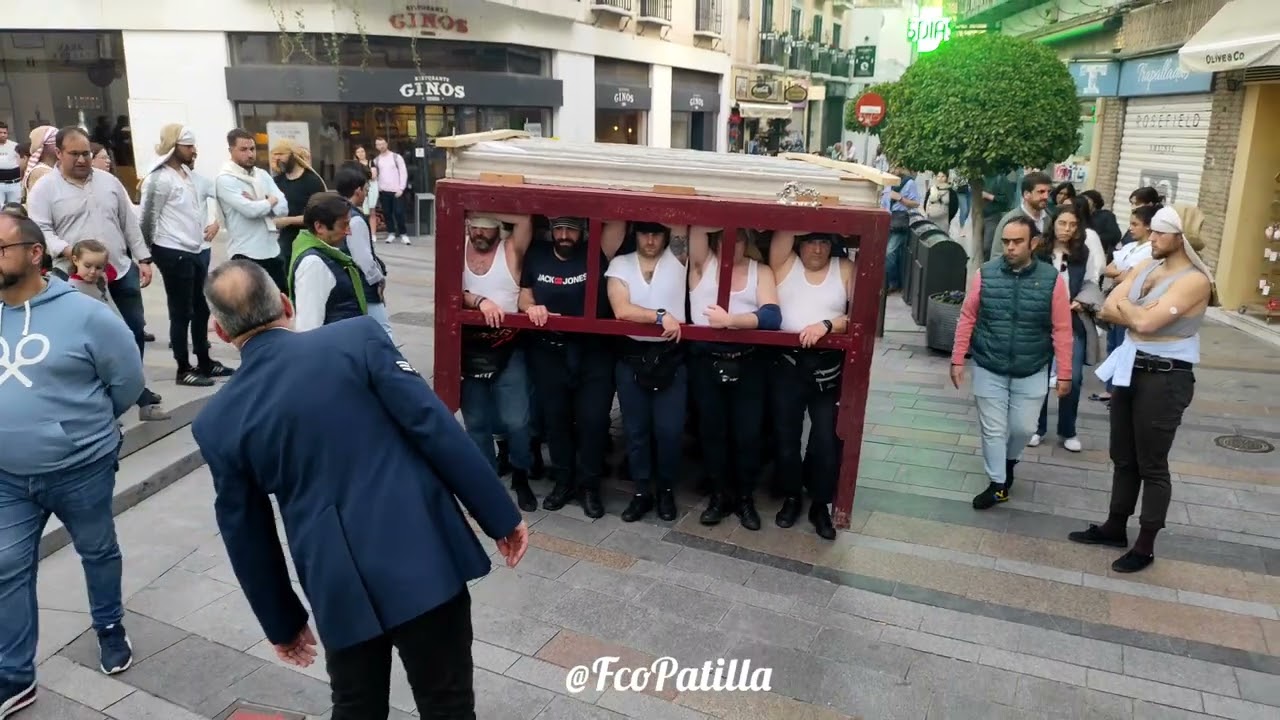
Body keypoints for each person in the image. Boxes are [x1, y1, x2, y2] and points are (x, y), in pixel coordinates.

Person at [192, 260, 527, 719]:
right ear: (286, 304)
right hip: (422, 551)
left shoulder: (217, 421)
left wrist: (282, 622)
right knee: (447, 702)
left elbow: (246, 532)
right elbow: (431, 425)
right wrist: (499, 516)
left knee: (355, 707)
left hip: (336, 579)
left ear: (220, 331)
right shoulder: (357, 338)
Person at [0, 214, 145, 719]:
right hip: (7, 477)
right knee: (6, 569)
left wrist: (83, 431)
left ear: (34, 253)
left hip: (80, 467)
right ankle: (15, 676)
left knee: (98, 551)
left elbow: (127, 382)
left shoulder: (86, 315)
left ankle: (109, 627)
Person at [1070, 206, 1214, 573]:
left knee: (1152, 464)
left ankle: (1145, 545)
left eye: (1160, 232)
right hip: (1131, 368)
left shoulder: (1195, 280)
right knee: (1123, 456)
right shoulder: (1148, 265)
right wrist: (1135, 312)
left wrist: (1131, 309)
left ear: (1181, 237)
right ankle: (1115, 526)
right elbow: (1106, 307)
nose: (1152, 237)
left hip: (1165, 377)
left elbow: (1145, 322)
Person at [26, 126, 167, 421]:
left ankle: (136, 389)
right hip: (76, 278)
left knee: (132, 330)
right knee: (86, 338)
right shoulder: (45, 189)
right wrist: (69, 252)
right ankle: (99, 395)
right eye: (74, 154)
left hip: (119, 270)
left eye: (86, 154)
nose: (82, 159)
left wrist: (143, 258)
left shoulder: (109, 182)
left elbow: (129, 223)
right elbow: (41, 231)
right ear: (59, 153)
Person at [951, 216, 1073, 510]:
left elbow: (1062, 328)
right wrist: (958, 358)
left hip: (1032, 366)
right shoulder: (986, 274)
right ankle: (998, 484)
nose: (1010, 247)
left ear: (1034, 243)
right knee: (993, 429)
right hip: (988, 363)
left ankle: (1008, 462)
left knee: (1023, 428)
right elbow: (968, 316)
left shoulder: (1052, 280)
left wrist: (1065, 373)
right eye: (1006, 241)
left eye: (1018, 242)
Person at [519, 217, 623, 518]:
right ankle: (563, 481)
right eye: (559, 229)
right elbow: (525, 293)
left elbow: (619, 219)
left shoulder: (597, 251)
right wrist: (531, 307)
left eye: (571, 229)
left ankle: (589, 486)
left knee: (593, 421)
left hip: (593, 352)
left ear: (583, 231)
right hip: (550, 351)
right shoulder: (537, 253)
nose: (564, 235)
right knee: (557, 420)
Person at [687, 227, 781, 530]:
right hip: (706, 361)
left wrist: (731, 321)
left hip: (747, 361)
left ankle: (744, 498)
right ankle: (718, 496)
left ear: (747, 241)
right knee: (712, 432)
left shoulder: (760, 271)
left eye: (738, 238)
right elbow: (696, 221)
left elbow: (772, 316)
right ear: (715, 241)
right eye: (724, 238)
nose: (731, 244)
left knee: (748, 434)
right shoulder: (703, 264)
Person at [768, 231, 854, 539]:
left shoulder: (844, 268)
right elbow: (787, 226)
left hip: (826, 367)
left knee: (827, 438)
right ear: (799, 244)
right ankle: (792, 496)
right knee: (786, 437)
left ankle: (820, 503)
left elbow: (858, 315)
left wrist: (827, 325)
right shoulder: (785, 263)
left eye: (824, 242)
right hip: (788, 364)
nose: (817, 249)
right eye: (810, 241)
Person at [606, 222, 689, 523]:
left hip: (670, 356)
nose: (651, 239)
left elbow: (682, 217)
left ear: (666, 235)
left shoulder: (678, 257)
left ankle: (665, 490)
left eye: (656, 233)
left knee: (669, 431)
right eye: (644, 233)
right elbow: (622, 309)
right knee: (636, 430)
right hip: (632, 356)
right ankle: (641, 492)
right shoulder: (621, 263)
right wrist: (660, 316)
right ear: (636, 234)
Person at [140, 125, 233, 387]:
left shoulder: (188, 175)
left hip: (195, 249)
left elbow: (219, 194)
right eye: (188, 146)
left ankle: (204, 360)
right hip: (172, 251)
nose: (194, 151)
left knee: (201, 308)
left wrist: (216, 221)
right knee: (181, 312)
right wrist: (144, 258)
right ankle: (183, 368)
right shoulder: (159, 179)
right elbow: (147, 220)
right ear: (174, 146)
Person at [459, 213, 537, 510]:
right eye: (475, 226)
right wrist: (478, 301)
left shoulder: (510, 249)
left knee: (517, 420)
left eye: (487, 227)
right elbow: (448, 288)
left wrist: (483, 204)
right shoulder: (458, 247)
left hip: (508, 344)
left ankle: (520, 474)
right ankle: (487, 482)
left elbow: (524, 220)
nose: (479, 232)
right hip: (469, 346)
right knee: (476, 421)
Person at [1029, 205, 1103, 453]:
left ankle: (1068, 430)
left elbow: (1091, 282)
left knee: (1073, 376)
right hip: (1041, 321)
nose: (1067, 229)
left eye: (1072, 224)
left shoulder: (1083, 252)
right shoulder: (1039, 249)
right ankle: (1036, 427)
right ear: (1054, 224)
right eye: (1062, 223)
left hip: (1071, 320)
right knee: (1038, 373)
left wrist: (1082, 300)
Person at [215, 128, 289, 290]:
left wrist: (260, 202)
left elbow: (283, 208)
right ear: (231, 150)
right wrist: (270, 201)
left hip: (272, 250)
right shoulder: (225, 179)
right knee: (252, 304)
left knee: (281, 300)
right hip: (245, 253)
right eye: (243, 149)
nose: (250, 154)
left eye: (252, 149)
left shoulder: (262, 175)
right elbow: (250, 211)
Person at [287, 192, 369, 332]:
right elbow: (308, 327)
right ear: (319, 227)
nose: (349, 231)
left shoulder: (328, 255)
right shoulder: (313, 263)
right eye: (344, 225)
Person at [334, 164, 392, 338]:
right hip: (363, 285)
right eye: (366, 189)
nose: (367, 193)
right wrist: (378, 279)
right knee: (383, 331)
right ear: (358, 190)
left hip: (346, 283)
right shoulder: (354, 219)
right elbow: (363, 258)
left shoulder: (337, 212)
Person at [270, 139, 328, 264]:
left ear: (293, 155)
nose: (277, 159)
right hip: (284, 242)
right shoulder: (277, 181)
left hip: (309, 241)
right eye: (275, 155)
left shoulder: (312, 181)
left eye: (281, 154)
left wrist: (287, 220)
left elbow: (319, 215)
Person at [988, 172, 1052, 262]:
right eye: (1041, 192)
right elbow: (997, 256)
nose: (1046, 196)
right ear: (1026, 194)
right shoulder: (1010, 220)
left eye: (1048, 192)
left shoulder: (1050, 218)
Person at [881, 165, 920, 294]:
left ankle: (892, 282)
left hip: (899, 220)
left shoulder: (909, 183)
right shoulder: (888, 182)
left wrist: (900, 198)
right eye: (891, 167)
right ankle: (890, 281)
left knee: (889, 252)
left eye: (896, 167)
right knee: (890, 253)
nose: (893, 170)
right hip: (886, 218)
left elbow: (916, 203)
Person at [372, 137, 410, 245]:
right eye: (378, 144)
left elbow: (403, 173)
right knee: (387, 213)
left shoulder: (396, 157)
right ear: (376, 146)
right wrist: (378, 188)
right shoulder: (376, 160)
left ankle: (403, 234)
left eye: (382, 144)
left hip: (396, 190)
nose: (381, 146)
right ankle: (391, 233)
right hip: (383, 190)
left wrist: (401, 188)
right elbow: (376, 176)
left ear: (386, 144)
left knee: (399, 212)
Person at [66, 239, 118, 310]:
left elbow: (113, 273)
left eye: (98, 267)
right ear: (75, 260)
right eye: (87, 266)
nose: (93, 271)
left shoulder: (102, 276)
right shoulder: (72, 287)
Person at [0, 123, 21, 206]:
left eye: (5, 133)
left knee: (15, 209)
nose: (3, 135)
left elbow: (21, 163)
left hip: (14, 184)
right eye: (0, 132)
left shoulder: (15, 146)